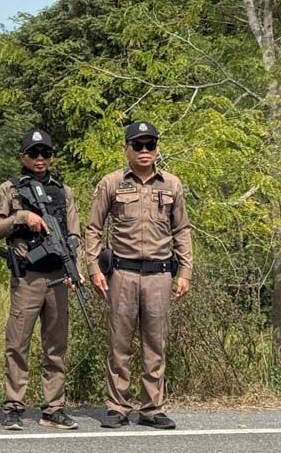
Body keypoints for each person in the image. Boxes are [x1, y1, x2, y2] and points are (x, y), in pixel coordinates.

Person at [85, 121, 193, 430]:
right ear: (126, 149)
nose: (144, 151)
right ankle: (117, 406)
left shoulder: (172, 184)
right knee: (120, 343)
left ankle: (151, 408)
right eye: (138, 145)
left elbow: (182, 230)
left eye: (150, 145)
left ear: (157, 148)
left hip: (160, 275)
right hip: (122, 274)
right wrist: (93, 268)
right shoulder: (111, 183)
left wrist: (185, 270)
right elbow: (93, 229)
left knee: (154, 344)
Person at [0, 128, 82, 431]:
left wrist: (74, 271)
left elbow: (74, 235)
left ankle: (53, 408)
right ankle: (14, 406)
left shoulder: (63, 191)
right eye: (33, 153)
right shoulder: (10, 189)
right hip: (27, 277)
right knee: (18, 343)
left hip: (57, 277)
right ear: (23, 157)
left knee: (56, 346)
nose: (40, 159)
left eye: (45, 153)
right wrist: (22, 218)